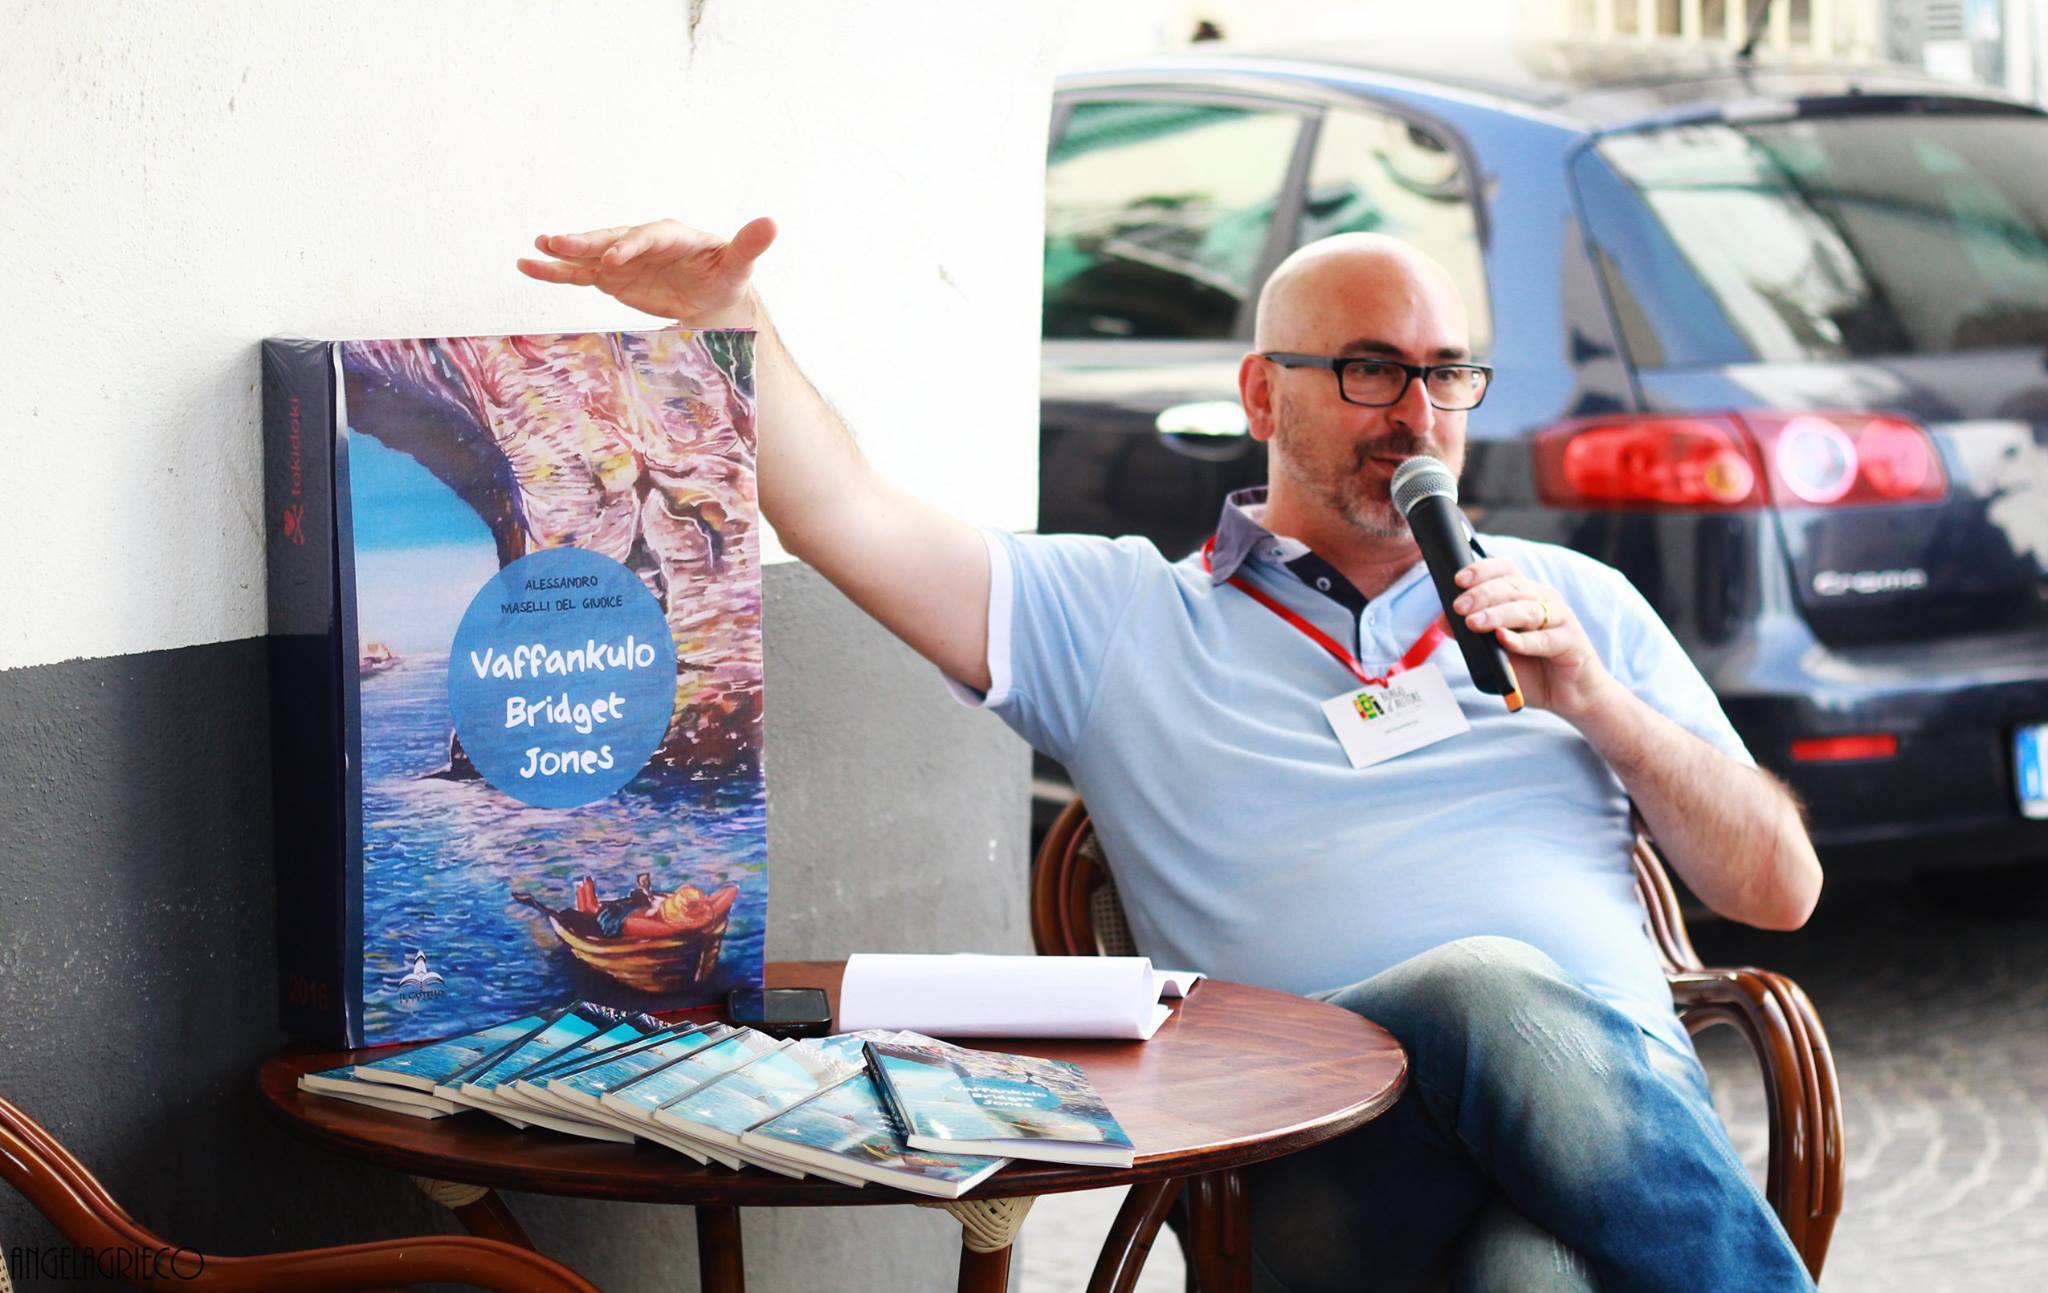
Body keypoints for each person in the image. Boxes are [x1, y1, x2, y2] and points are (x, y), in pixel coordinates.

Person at [518, 218, 1823, 1292]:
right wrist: (731, 320)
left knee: (1535, 1281)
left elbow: (1778, 887)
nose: (1417, 414)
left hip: (1616, 1134)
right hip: (1320, 1163)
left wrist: (1599, 702)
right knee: (1486, 986)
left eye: (1446, 375)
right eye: (1370, 370)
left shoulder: (1575, 603)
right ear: (1262, 391)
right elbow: (847, 514)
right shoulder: (1122, 616)